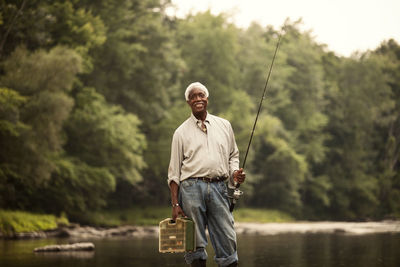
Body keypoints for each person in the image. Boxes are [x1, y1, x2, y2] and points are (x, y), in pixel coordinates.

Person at [167, 82, 246, 267]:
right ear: (188, 102)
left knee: (227, 237)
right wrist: (175, 204)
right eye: (193, 97)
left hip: (219, 187)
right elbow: (173, 173)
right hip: (190, 189)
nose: (197, 99)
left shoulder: (225, 126)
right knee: (194, 242)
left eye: (200, 95)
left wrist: (235, 174)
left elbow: (233, 155)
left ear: (207, 98)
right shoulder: (180, 133)